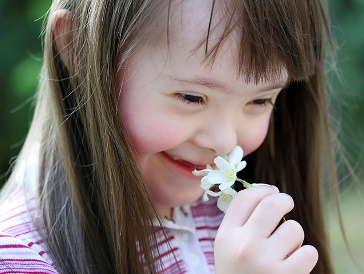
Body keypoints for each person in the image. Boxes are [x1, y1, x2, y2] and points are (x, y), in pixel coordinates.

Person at [0, 0, 339, 273]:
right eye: (192, 97)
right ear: (76, 46)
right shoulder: (20, 258)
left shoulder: (237, 221)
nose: (224, 142)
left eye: (260, 99)